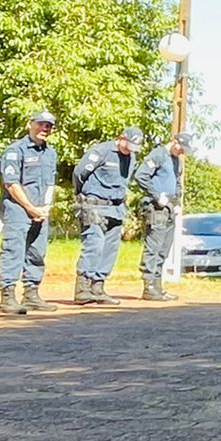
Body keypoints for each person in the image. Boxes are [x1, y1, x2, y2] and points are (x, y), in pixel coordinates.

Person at [72, 125, 144, 307]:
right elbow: (79, 173)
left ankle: (98, 286)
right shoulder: (101, 151)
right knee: (94, 244)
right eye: (128, 146)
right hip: (94, 205)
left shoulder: (131, 157)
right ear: (121, 138)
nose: (130, 150)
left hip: (116, 208)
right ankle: (82, 287)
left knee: (110, 249)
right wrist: (84, 195)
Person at [0, 111, 60, 316]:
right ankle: (7, 296)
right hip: (17, 209)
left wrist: (46, 207)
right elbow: (11, 184)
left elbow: (50, 183)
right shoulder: (15, 151)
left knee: (37, 252)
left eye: (49, 126)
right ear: (30, 124)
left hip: (40, 211)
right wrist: (30, 208)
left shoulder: (50, 153)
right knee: (13, 251)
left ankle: (31, 294)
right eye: (41, 124)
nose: (45, 129)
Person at [132, 131, 190, 301]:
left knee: (164, 249)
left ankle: (157, 286)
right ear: (174, 142)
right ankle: (149, 286)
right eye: (181, 148)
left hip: (170, 208)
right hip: (156, 208)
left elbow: (178, 183)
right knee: (154, 247)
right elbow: (141, 175)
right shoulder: (158, 154)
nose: (182, 152)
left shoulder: (177, 160)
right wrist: (156, 196)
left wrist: (177, 202)